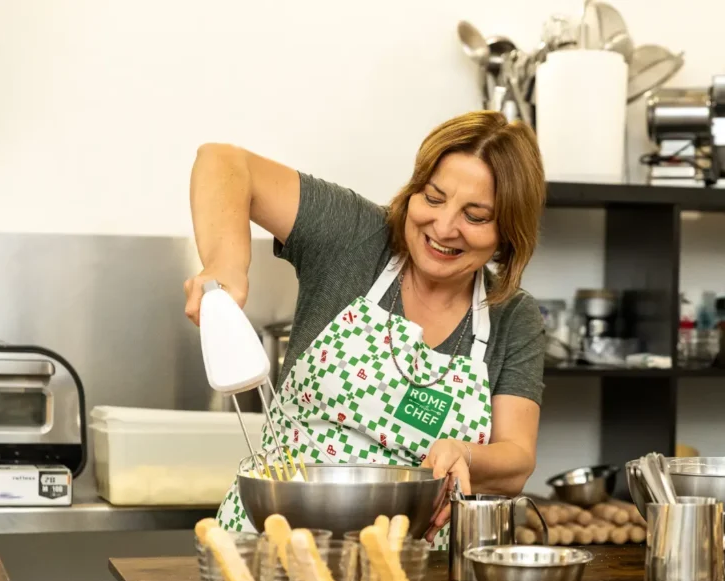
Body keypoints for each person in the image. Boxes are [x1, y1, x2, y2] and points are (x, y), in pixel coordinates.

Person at [183, 111, 547, 548]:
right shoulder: (355, 238)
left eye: (476, 216)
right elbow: (222, 161)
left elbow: (516, 461)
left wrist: (464, 452)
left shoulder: (512, 315)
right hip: (272, 548)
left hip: (408, 571)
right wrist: (226, 265)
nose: (445, 227)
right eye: (433, 198)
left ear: (507, 232)